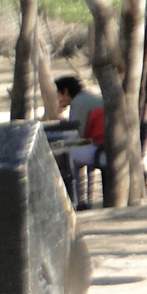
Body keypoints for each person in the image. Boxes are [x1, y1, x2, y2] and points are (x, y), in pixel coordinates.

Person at [55, 76, 106, 206]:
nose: (58, 99)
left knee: (69, 155)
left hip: (102, 151)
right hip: (105, 147)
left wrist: (59, 116)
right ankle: (83, 197)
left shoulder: (78, 103)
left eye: (59, 95)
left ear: (65, 91)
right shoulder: (89, 97)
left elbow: (79, 134)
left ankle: (77, 199)